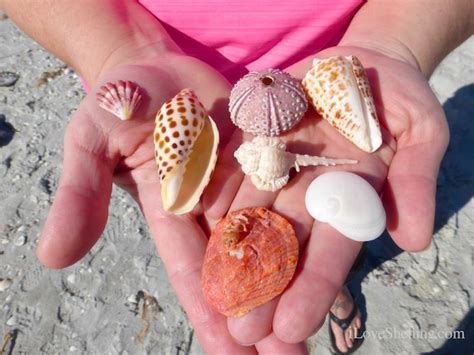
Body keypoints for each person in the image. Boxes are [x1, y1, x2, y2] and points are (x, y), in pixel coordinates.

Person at [1, 0, 472, 353]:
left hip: (322, 79)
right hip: (178, 89)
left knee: (327, 236)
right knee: (217, 222)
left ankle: (338, 285)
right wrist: (112, 48)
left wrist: (399, 38)